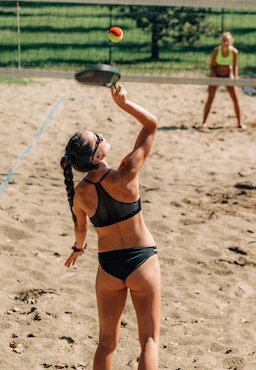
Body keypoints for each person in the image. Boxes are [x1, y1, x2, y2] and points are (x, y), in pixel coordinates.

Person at [61, 84, 161, 370]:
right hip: (142, 260)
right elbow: (152, 125)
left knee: (106, 343)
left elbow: (80, 230)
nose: (103, 138)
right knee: (149, 341)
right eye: (99, 139)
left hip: (108, 267)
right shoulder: (127, 171)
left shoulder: (79, 193)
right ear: (96, 156)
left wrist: (78, 249)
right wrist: (124, 104)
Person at [202, 31, 246, 129]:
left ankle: (240, 123)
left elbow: (234, 66)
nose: (226, 43)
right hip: (216, 74)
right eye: (224, 41)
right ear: (221, 41)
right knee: (210, 98)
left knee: (235, 99)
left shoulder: (234, 52)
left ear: (231, 42)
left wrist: (235, 77)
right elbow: (211, 66)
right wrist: (213, 77)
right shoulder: (216, 51)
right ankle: (204, 122)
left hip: (227, 75)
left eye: (227, 41)